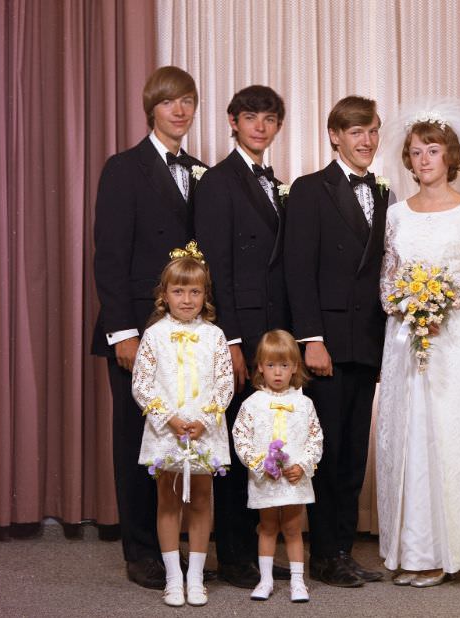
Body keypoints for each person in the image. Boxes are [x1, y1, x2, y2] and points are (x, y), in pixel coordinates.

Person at [375, 99, 460, 587]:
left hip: (452, 340)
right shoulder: (397, 215)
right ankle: (411, 549)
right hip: (405, 337)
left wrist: (438, 302)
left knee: (447, 434)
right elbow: (386, 281)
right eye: (416, 152)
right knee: (408, 435)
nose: (425, 159)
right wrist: (407, 302)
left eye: (433, 150)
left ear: (451, 156)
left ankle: (447, 551)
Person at [92, 65, 207, 589]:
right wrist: (122, 332)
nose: (179, 111)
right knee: (138, 437)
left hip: (190, 327)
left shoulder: (204, 171)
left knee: (192, 430)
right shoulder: (123, 168)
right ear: (151, 109)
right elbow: (109, 256)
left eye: (187, 101)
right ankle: (139, 550)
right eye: (169, 102)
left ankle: (185, 544)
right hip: (139, 327)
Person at [284, 96, 390, 587]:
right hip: (327, 343)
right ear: (334, 136)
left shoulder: (386, 194)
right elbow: (298, 271)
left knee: (352, 455)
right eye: (355, 133)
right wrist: (312, 339)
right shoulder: (309, 189)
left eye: (371, 131)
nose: (365, 141)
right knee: (326, 451)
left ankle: (342, 550)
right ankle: (325, 554)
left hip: (366, 343)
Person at [194, 85, 290, 588]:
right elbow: (216, 268)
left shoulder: (274, 182)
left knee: (261, 439)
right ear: (232, 121)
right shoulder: (217, 181)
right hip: (239, 332)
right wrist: (229, 340)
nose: (260, 126)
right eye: (250, 117)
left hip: (271, 331)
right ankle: (231, 556)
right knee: (233, 442)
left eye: (269, 119)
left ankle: (254, 549)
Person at [131, 245, 233, 607]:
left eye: (195, 291)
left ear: (205, 295)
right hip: (167, 429)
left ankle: (196, 577)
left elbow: (224, 384)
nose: (187, 299)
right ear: (164, 295)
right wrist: (169, 418)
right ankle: (173, 577)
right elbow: (142, 384)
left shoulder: (215, 336)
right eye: (178, 291)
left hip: (205, 429)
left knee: (203, 499)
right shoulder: (155, 335)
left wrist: (204, 421)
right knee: (168, 499)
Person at [233, 330, 324, 603]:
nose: (277, 373)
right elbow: (241, 438)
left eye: (284, 366)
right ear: (260, 366)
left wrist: (304, 466)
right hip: (266, 479)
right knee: (268, 527)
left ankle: (298, 582)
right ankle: (266, 579)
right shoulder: (253, 404)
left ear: (294, 367)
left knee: (294, 528)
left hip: (295, 478)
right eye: (271, 365)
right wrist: (261, 465)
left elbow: (315, 439)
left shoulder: (304, 403)